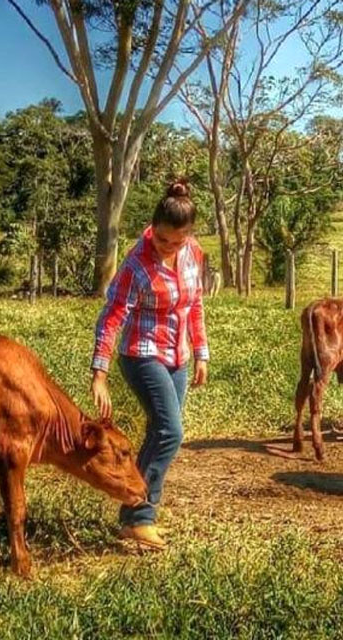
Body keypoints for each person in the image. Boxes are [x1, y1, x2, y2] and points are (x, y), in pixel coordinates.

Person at [90, 178, 209, 550]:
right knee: (171, 432)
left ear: (189, 235)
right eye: (162, 240)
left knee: (161, 435)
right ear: (153, 229)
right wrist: (100, 372)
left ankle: (136, 515)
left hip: (179, 356)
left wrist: (201, 351)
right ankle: (139, 516)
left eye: (177, 241)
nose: (168, 248)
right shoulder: (136, 263)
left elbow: (195, 305)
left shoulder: (194, 254)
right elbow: (111, 316)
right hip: (141, 354)